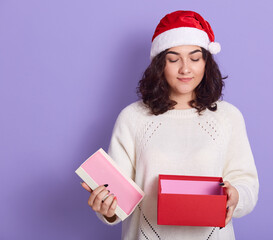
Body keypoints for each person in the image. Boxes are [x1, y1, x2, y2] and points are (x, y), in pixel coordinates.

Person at [81, 10, 259, 240]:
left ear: (206, 62)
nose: (185, 68)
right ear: (159, 64)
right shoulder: (133, 118)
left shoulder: (228, 117)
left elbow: (246, 184)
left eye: (195, 58)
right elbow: (118, 199)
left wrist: (235, 196)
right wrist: (108, 209)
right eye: (173, 59)